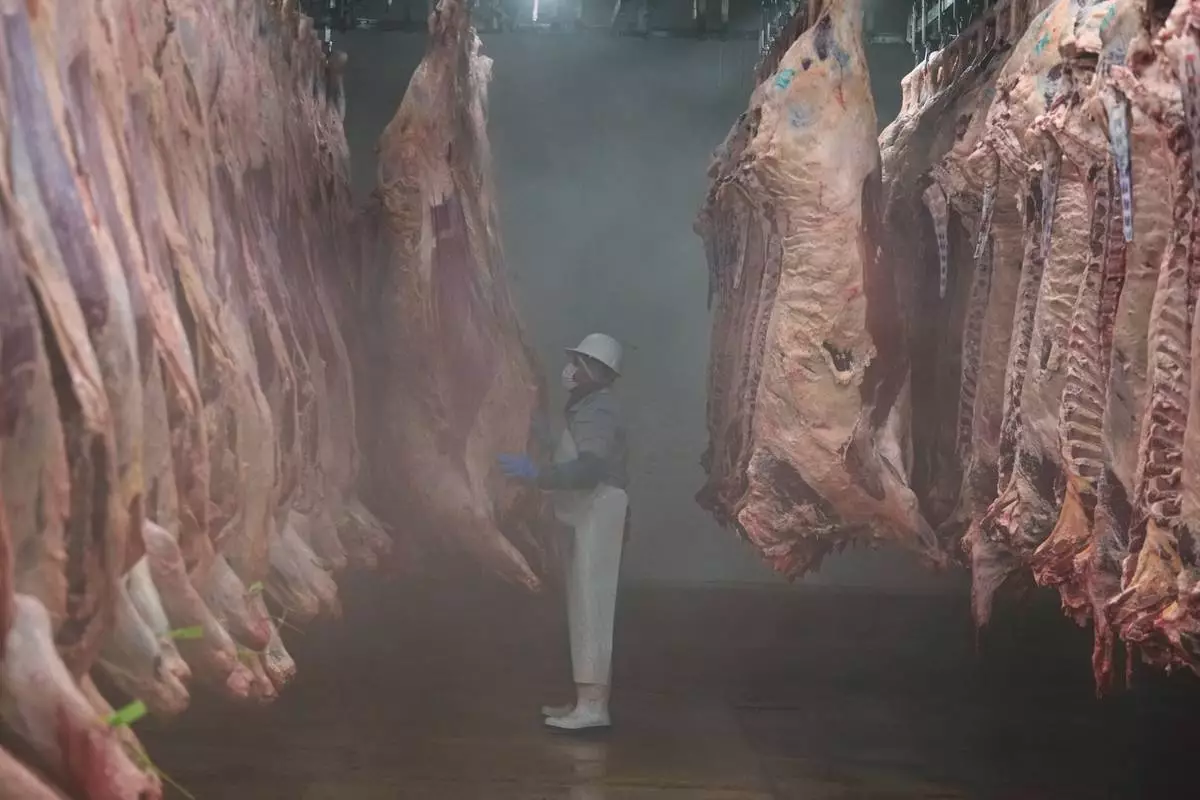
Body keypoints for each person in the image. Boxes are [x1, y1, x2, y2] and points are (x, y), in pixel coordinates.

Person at [498, 333, 629, 732]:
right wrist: (545, 436)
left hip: (600, 508)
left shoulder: (599, 409)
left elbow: (589, 467)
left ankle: (593, 708)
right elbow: (574, 449)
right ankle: (583, 701)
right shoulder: (586, 407)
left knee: (593, 608)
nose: (570, 370)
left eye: (578, 363)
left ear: (596, 371)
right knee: (581, 606)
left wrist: (539, 475)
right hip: (587, 513)